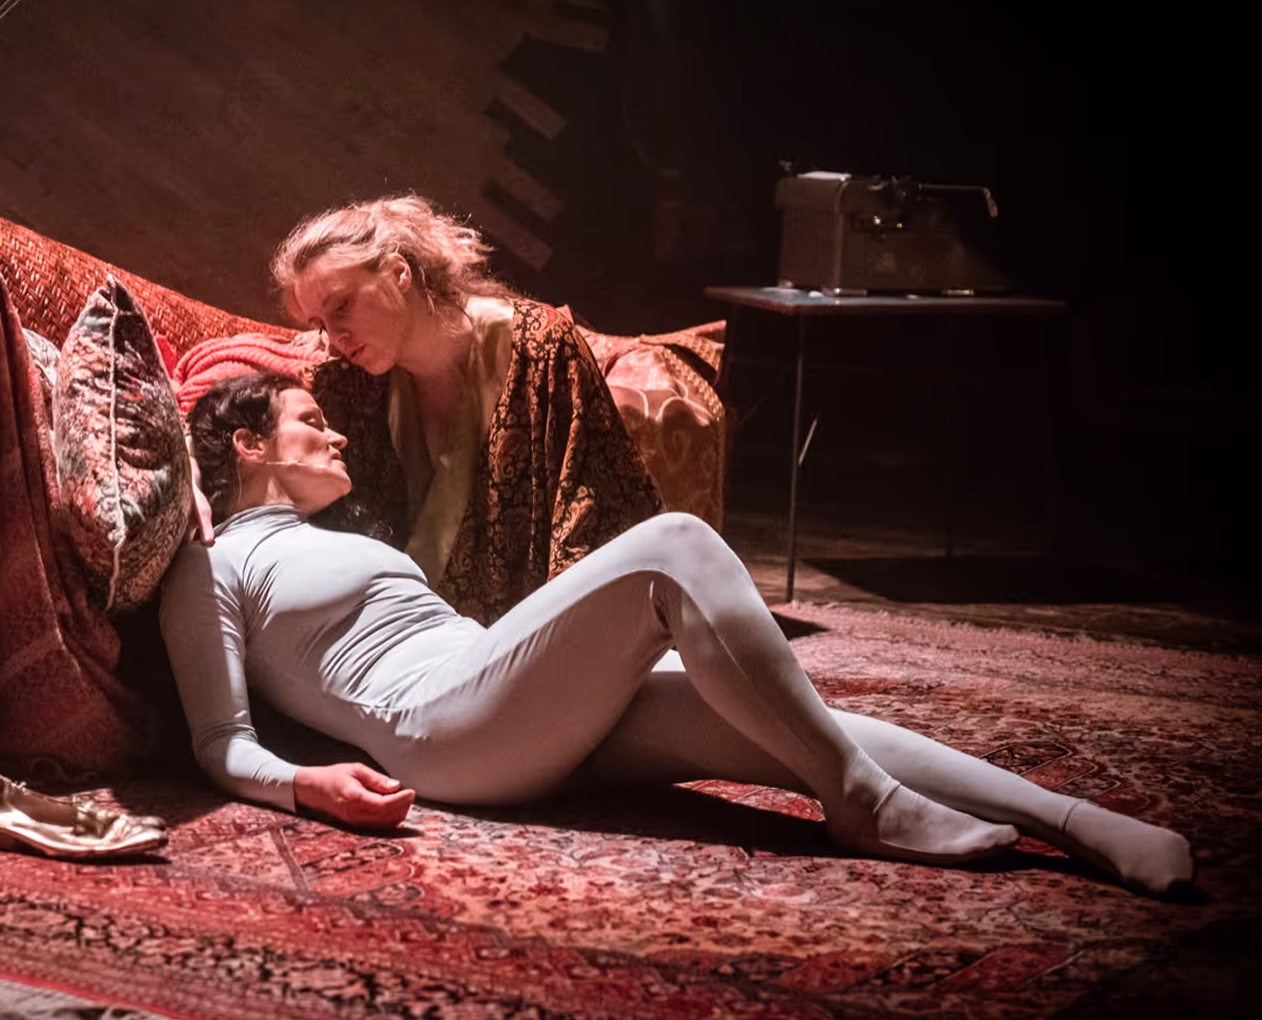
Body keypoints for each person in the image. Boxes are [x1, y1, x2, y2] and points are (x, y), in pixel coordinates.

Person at [159, 372, 1195, 897]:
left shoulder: (330, 537)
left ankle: (1077, 824)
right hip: (441, 733)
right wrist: (310, 787)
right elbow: (220, 741)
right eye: (310, 420)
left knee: (786, 717)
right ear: (247, 443)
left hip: (505, 705)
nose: (336, 432)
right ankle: (865, 805)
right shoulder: (212, 563)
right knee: (673, 544)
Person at [271, 194, 660, 624]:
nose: (334, 338)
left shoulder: (540, 347)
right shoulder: (346, 386)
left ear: (398, 272)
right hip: (400, 635)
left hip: (541, 629)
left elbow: (594, 515)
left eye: (342, 306)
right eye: (320, 325)